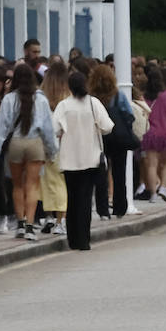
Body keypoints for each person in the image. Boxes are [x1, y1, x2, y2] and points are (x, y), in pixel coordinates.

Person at [0, 62, 57, 239]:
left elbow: (2, 127)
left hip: (16, 143)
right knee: (33, 185)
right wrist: (52, 150)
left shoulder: (9, 99)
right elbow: (48, 128)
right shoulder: (41, 99)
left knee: (17, 185)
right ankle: (30, 225)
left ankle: (19, 223)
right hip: (35, 142)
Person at [52, 71, 113, 250]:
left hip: (69, 158)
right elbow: (108, 127)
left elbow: (54, 129)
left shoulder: (64, 106)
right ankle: (84, 240)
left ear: (69, 87)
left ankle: (73, 238)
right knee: (86, 199)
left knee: (72, 198)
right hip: (91, 157)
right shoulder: (94, 103)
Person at [89, 64, 135, 218]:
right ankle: (120, 207)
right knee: (119, 173)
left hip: (99, 138)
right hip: (118, 137)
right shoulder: (118, 95)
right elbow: (129, 114)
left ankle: (103, 210)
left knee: (100, 173)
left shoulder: (91, 97)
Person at [39, 62, 71, 235]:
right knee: (61, 184)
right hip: (65, 144)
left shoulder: (42, 96)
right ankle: (61, 220)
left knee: (46, 183)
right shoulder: (68, 97)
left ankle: (49, 216)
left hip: (44, 144)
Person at [139, 67, 166, 201]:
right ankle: (163, 187)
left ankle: (153, 193)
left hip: (150, 133)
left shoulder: (144, 97)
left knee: (151, 165)